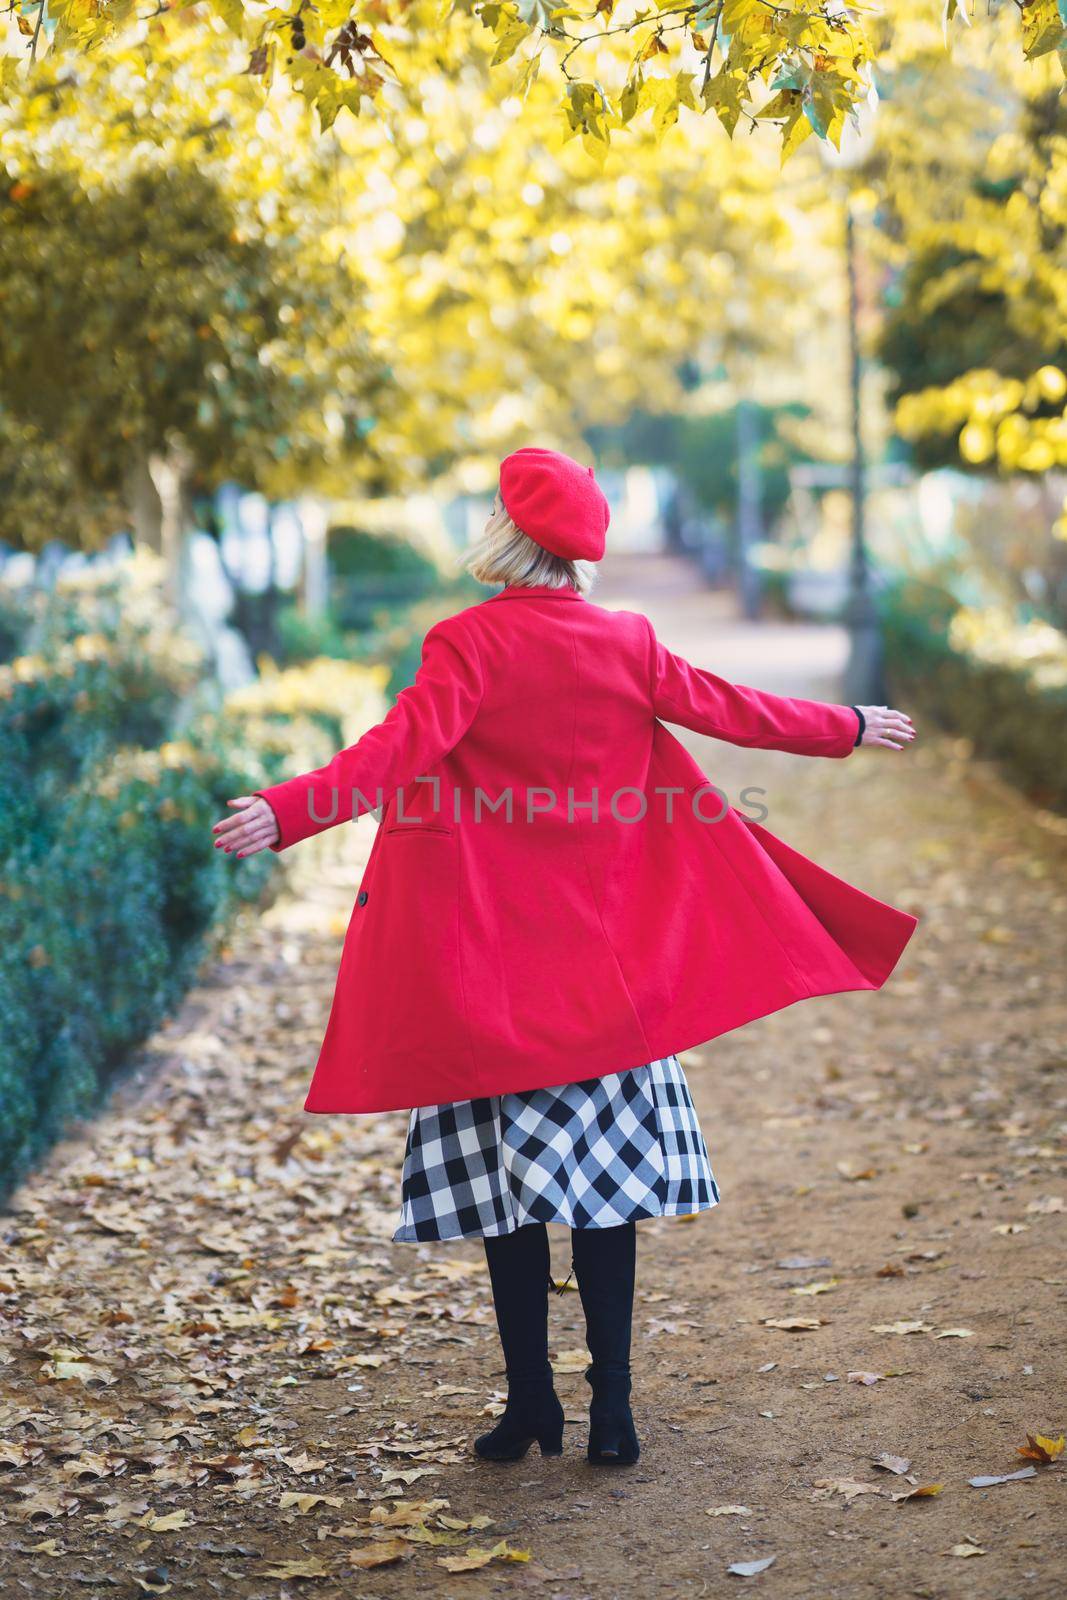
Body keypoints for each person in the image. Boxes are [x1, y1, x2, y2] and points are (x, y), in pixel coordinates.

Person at [212, 446, 917, 1468]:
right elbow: (734, 709)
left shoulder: (464, 644)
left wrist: (286, 814)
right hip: (608, 980)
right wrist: (844, 726)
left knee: (510, 1202)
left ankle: (530, 1403)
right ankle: (613, 1413)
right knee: (608, 1193)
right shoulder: (625, 641)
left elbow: (392, 754)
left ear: (504, 535)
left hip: (491, 977)